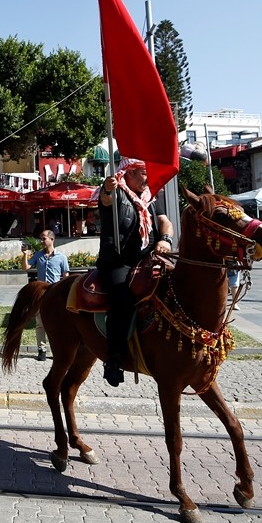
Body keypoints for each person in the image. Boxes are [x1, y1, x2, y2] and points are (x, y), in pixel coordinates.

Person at [96, 158, 175, 387]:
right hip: (118, 262)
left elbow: (164, 222)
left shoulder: (151, 196)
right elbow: (106, 199)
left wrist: (165, 240)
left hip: (147, 259)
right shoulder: (117, 191)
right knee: (122, 297)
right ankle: (114, 357)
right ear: (129, 172)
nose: (148, 178)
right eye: (143, 172)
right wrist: (107, 188)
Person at [20, 229, 70, 361]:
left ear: (51, 239)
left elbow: (65, 276)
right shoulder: (38, 255)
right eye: (41, 238)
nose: (41, 241)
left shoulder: (61, 257)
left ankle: (57, 350)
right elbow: (25, 267)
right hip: (41, 295)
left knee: (57, 324)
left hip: (55, 295)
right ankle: (41, 350)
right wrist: (25, 254)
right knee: (40, 323)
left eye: (43, 238)